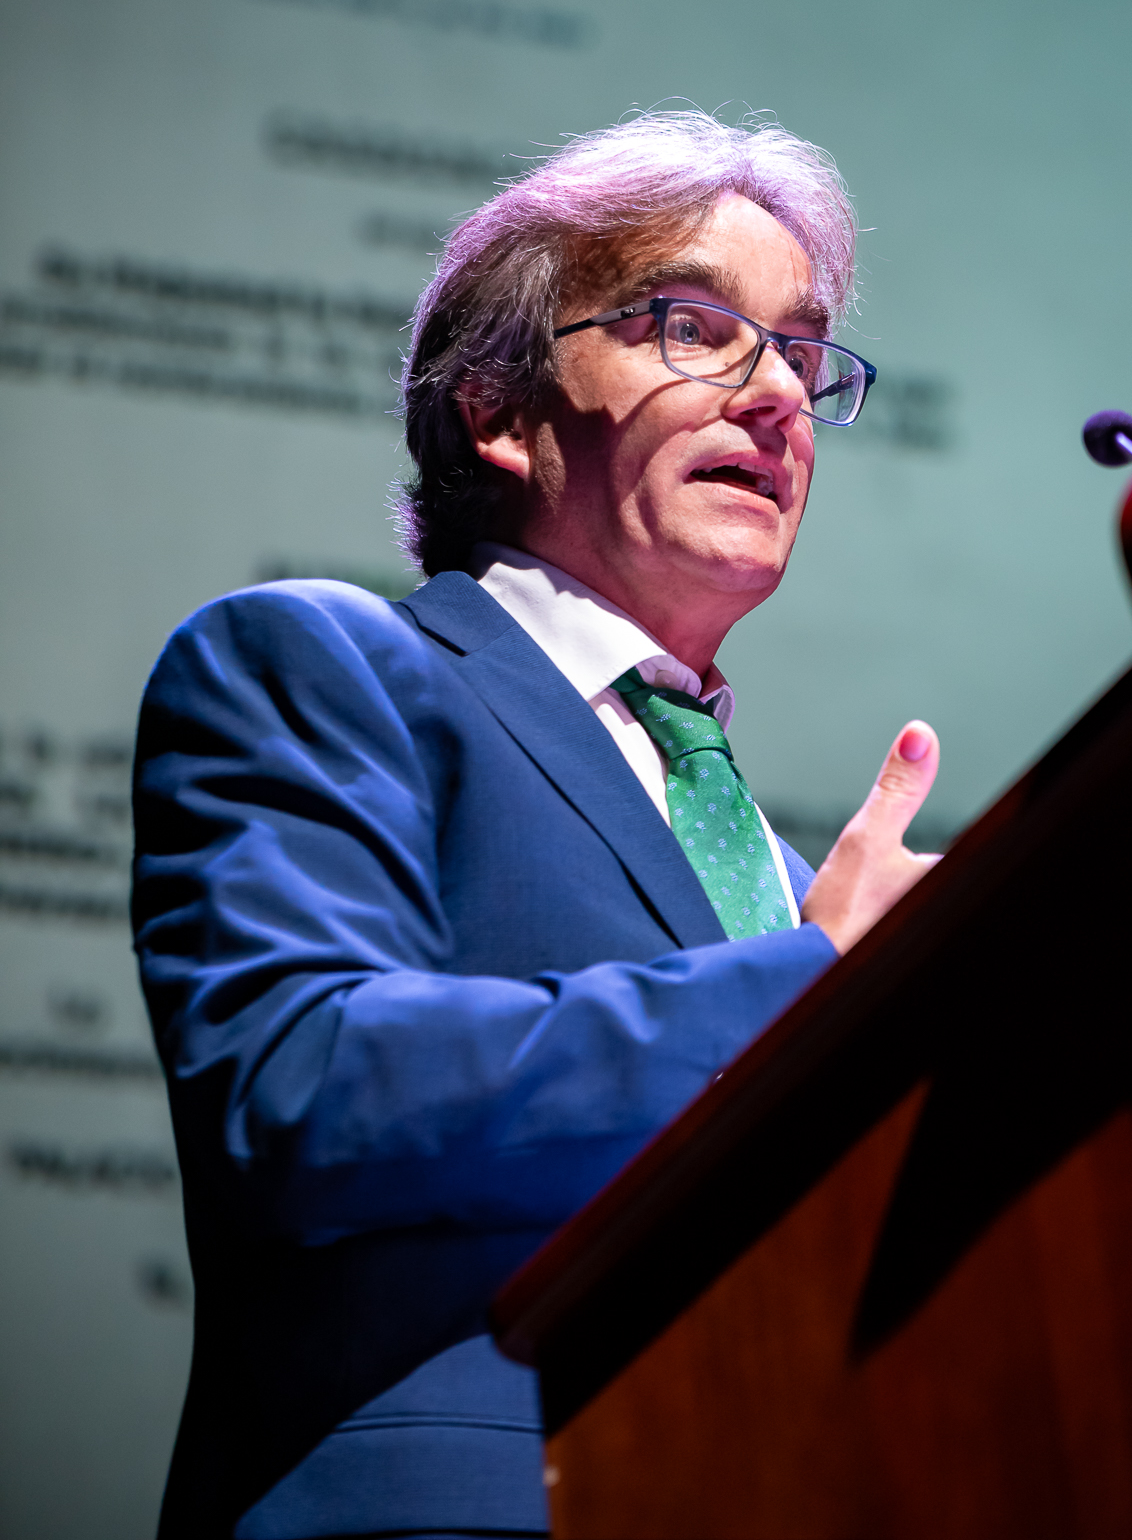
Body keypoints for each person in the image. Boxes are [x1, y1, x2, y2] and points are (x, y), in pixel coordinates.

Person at [132, 111, 941, 1540]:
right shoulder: (325, 668)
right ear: (498, 412)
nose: (776, 396)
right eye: (695, 327)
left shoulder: (778, 879)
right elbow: (301, 1086)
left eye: (802, 354)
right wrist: (804, 993)